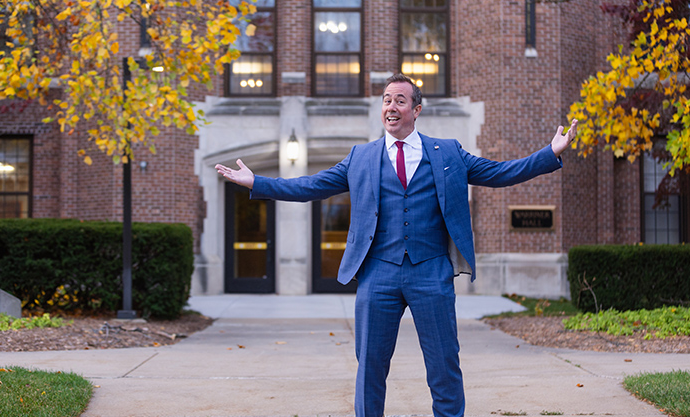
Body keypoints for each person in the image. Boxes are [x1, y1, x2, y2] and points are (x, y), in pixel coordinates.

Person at [216, 73, 578, 417]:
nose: (391, 106)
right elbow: (310, 186)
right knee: (370, 367)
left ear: (416, 110)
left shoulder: (448, 153)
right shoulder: (361, 157)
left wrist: (549, 153)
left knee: (444, 366)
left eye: (400, 100)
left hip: (431, 273)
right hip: (378, 276)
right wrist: (257, 183)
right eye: (387, 100)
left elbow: (499, 173)